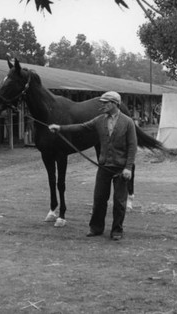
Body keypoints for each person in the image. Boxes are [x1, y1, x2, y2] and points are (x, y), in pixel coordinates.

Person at [49, 91, 137, 241]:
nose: (102, 105)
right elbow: (81, 127)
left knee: (119, 202)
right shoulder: (99, 120)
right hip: (103, 167)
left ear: (114, 104)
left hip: (120, 168)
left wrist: (128, 167)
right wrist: (61, 128)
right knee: (99, 199)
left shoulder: (127, 122)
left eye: (105, 103)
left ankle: (116, 230)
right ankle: (96, 228)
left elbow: (132, 146)